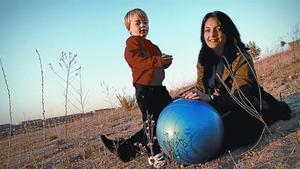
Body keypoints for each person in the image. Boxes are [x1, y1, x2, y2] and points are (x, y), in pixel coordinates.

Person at [182, 11, 291, 152]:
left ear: (227, 31)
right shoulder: (204, 56)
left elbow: (240, 100)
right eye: (207, 30)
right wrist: (193, 97)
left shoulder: (241, 57)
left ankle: (278, 108)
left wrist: (210, 98)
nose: (212, 35)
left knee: (228, 131)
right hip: (223, 105)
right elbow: (201, 89)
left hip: (250, 106)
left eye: (218, 29)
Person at [101, 8, 173, 166]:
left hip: (159, 88)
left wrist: (165, 62)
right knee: (151, 123)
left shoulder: (152, 45)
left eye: (145, 22)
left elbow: (157, 63)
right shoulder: (132, 44)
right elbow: (137, 61)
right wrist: (158, 61)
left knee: (166, 116)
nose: (143, 25)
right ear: (129, 28)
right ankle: (155, 155)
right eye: (138, 23)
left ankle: (124, 149)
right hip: (145, 90)